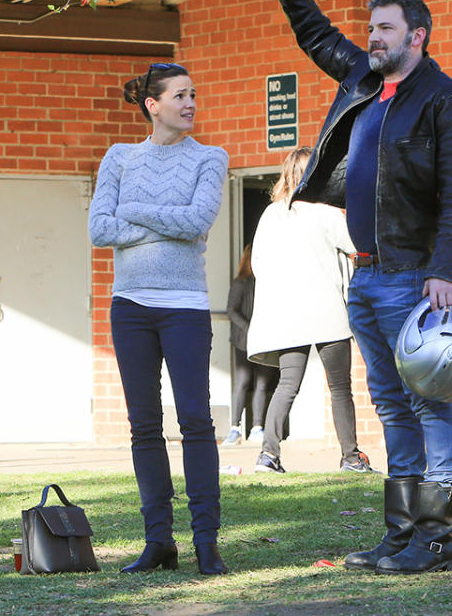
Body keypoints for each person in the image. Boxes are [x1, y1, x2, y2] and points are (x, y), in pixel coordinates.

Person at [270, 0, 452, 575]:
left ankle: (438, 540)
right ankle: (401, 533)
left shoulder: (447, 101)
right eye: (372, 28)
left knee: (428, 404)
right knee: (389, 404)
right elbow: (316, 37)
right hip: (363, 278)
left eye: (386, 29)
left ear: (418, 35)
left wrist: (445, 272)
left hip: (414, 277)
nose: (374, 38)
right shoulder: (363, 79)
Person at [88, 62, 229, 576]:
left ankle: (206, 543)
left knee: (195, 420)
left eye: (194, 94)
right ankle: (158, 543)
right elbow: (100, 229)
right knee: (144, 425)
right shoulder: (120, 157)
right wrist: (164, 221)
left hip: (185, 307)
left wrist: (137, 209)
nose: (191, 104)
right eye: (180, 96)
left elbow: (198, 221)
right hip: (130, 307)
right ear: (153, 105)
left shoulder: (211, 158)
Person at [246, 147, 373, 474]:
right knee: (340, 388)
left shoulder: (270, 215)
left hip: (288, 315)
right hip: (327, 311)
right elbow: (357, 247)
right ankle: (350, 457)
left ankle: (268, 455)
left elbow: (258, 264)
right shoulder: (325, 212)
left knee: (287, 384)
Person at [223, 244, 278, 447]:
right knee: (243, 382)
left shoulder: (270, 283)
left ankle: (257, 428)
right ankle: (235, 428)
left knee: (262, 384)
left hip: (266, 341)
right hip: (244, 341)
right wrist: (250, 327)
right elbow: (231, 310)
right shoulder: (240, 283)